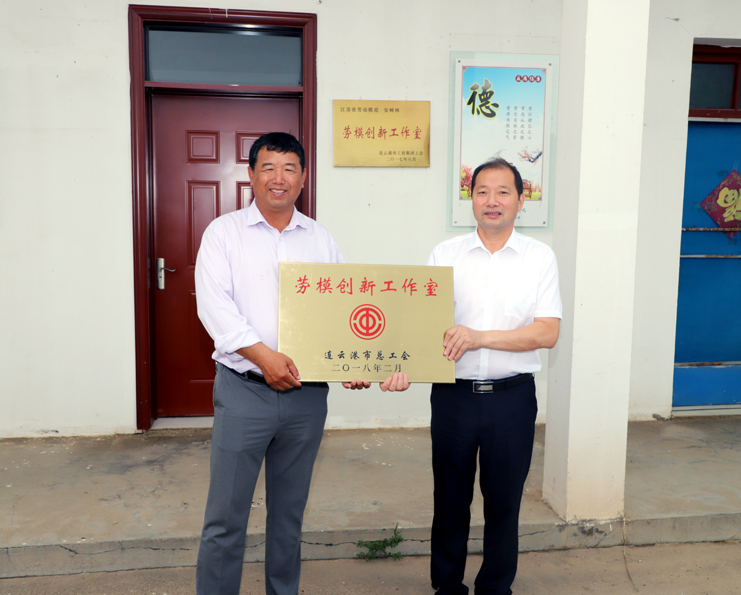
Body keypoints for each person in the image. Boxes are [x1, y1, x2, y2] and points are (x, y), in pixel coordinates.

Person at [194, 132, 408, 595]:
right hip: (244, 391)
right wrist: (265, 358)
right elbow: (216, 311)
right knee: (226, 517)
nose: (279, 178)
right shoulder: (223, 234)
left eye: (289, 168)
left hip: (306, 398)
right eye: (268, 167)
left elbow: (345, 312)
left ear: (303, 177)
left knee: (289, 516)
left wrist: (353, 363)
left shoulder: (320, 239)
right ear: (251, 175)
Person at [426, 157, 562, 595]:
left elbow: (547, 332)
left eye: (504, 191)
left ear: (522, 201)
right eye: (482, 191)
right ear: (470, 199)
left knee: (504, 503)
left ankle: (495, 588)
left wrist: (479, 337)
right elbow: (422, 327)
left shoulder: (539, 258)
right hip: (454, 397)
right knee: (450, 499)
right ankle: (447, 586)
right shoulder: (445, 255)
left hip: (511, 400)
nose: (492, 200)